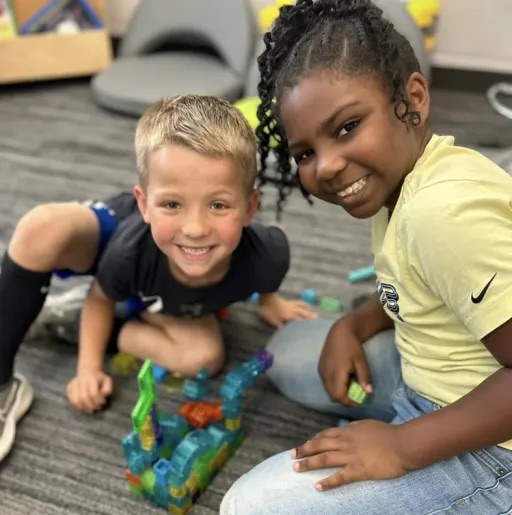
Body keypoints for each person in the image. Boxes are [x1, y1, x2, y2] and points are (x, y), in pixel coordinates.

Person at [220, 1, 512, 513]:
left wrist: (402, 445)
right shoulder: (400, 182)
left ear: (412, 99)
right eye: (305, 152)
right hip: (432, 372)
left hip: (494, 453)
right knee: (287, 353)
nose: (328, 166)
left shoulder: (442, 213)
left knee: (249, 507)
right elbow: (420, 286)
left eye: (348, 126)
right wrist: (351, 327)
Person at [0, 94, 315, 462]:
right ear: (144, 203)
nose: (195, 229)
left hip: (151, 294)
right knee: (44, 228)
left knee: (205, 358)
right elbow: (100, 298)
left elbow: (266, 277)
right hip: (117, 251)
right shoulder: (127, 250)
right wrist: (87, 369)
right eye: (171, 204)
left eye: (218, 205)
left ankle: (73, 320)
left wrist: (269, 301)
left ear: (249, 208)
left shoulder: (269, 255)